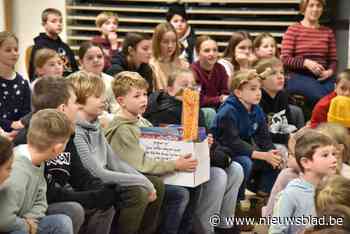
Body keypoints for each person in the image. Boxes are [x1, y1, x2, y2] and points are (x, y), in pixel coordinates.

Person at [13, 76, 126, 234]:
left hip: (53, 199)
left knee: (107, 202)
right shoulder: (30, 140)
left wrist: (102, 190)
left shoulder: (66, 135)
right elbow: (48, 194)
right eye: (75, 102)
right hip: (29, 209)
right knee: (74, 209)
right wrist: (93, 197)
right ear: (62, 108)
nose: (78, 107)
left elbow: (80, 175)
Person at [143, 69, 243, 234]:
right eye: (184, 85)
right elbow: (179, 150)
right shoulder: (165, 111)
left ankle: (223, 226)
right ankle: (204, 228)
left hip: (198, 161)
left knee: (236, 169)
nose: (189, 89)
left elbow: (207, 142)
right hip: (176, 168)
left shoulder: (194, 107)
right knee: (219, 175)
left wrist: (210, 146)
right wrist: (216, 154)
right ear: (169, 89)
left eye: (192, 85)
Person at [69, 71, 164, 234]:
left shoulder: (94, 124)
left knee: (156, 184)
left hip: (104, 177)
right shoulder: (76, 132)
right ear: (80, 102)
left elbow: (114, 161)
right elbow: (96, 172)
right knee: (138, 192)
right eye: (97, 96)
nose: (104, 100)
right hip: (90, 183)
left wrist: (146, 182)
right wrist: (143, 183)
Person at [106, 71, 198, 234]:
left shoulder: (140, 119)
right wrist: (175, 164)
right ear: (121, 101)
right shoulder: (122, 129)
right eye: (136, 96)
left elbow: (158, 144)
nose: (143, 99)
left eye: (145, 94)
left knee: (194, 184)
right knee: (179, 194)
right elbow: (140, 165)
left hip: (152, 173)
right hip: (134, 179)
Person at [211, 70, 282, 201]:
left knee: (277, 158)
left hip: (245, 149)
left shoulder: (256, 108)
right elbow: (233, 143)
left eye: (259, 88)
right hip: (224, 151)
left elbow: (263, 137)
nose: (258, 93)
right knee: (245, 163)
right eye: (253, 89)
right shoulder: (228, 111)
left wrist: (272, 153)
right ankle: (238, 200)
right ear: (238, 93)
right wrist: (264, 155)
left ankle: (262, 195)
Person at [0, 109, 74, 234]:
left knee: (63, 221)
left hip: (25, 220)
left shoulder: (39, 162)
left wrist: (31, 219)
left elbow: (41, 200)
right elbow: (4, 221)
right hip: (11, 226)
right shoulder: (16, 171)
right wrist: (26, 226)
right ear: (58, 148)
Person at [269, 130, 338, 234]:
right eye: (325, 155)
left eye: (334, 154)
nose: (334, 159)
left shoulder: (333, 189)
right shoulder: (291, 194)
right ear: (305, 162)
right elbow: (276, 231)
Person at [281, 0, 337, 105]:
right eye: (311, 5)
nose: (315, 9)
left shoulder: (328, 32)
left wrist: (329, 72)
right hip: (297, 76)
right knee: (323, 98)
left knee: (338, 96)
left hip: (323, 77)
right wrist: (306, 63)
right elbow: (285, 59)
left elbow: (333, 60)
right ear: (304, 9)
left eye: (318, 6)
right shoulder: (293, 30)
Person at [28, 8, 78, 81]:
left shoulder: (65, 47)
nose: (59, 24)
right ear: (44, 24)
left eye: (60, 21)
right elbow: (34, 73)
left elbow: (73, 70)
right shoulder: (40, 46)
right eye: (53, 21)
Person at [256, 58, 296, 148]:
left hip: (281, 138)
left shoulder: (282, 95)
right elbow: (261, 135)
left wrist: (295, 135)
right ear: (261, 80)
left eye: (281, 72)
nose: (280, 76)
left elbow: (289, 124)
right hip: (262, 144)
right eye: (273, 73)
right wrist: (288, 137)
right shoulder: (256, 99)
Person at [0, 31, 31, 133]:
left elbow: (27, 112)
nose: (14, 53)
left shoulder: (23, 83)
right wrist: (10, 124)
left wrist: (20, 126)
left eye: (16, 49)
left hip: (19, 133)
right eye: (8, 50)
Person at [76, 41, 119, 114]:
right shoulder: (72, 82)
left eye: (99, 56)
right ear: (81, 62)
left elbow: (116, 110)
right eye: (90, 58)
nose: (96, 60)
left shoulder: (111, 81)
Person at [191, 36, 229, 109]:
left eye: (215, 50)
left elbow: (225, 92)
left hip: (218, 107)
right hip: (200, 110)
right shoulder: (193, 71)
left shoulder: (220, 68)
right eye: (207, 50)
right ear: (198, 53)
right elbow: (198, 99)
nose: (212, 54)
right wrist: (219, 99)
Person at [150, 22, 188, 91]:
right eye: (165, 42)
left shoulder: (184, 65)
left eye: (174, 41)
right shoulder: (152, 66)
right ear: (157, 43)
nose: (170, 46)